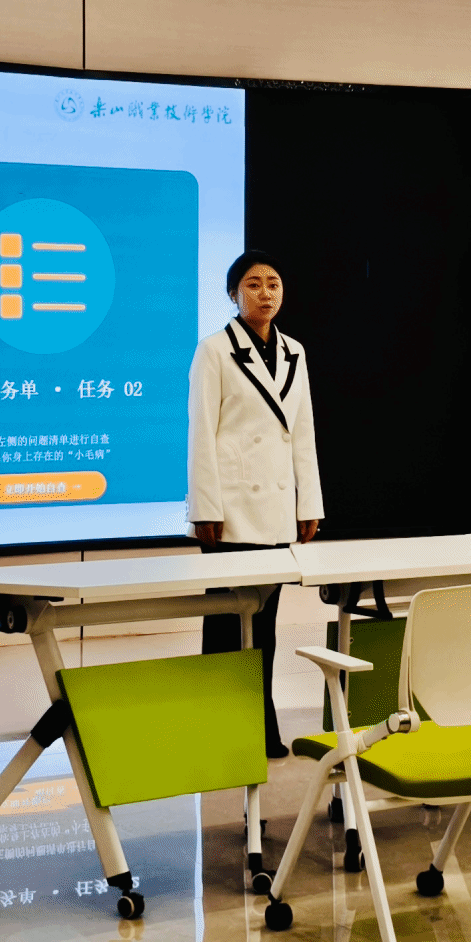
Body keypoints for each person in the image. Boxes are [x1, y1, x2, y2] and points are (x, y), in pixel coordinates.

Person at [188, 251, 322, 758]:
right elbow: (201, 432)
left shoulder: (295, 351)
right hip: (230, 513)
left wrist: (308, 503)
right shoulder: (213, 350)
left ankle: (262, 725)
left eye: (273, 283)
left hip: (277, 513)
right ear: (233, 294)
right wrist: (204, 508)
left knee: (264, 624)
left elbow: (302, 432)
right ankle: (218, 727)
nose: (266, 293)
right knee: (227, 623)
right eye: (253, 284)